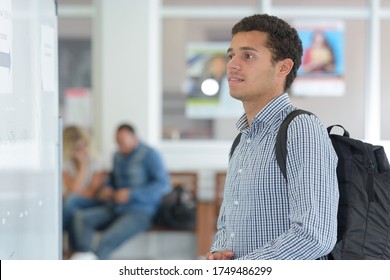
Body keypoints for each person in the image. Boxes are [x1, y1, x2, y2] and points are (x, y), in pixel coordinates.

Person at [207, 14, 339, 260]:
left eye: (247, 56)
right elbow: (228, 222)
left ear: (283, 67)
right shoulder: (243, 139)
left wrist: (244, 269)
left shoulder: (301, 129)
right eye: (231, 55)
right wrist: (220, 252)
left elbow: (315, 235)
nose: (232, 64)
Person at [70, 123, 171, 260]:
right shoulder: (117, 156)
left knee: (106, 239)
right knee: (81, 218)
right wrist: (107, 188)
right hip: (115, 208)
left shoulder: (150, 155)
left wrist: (132, 194)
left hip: (139, 212)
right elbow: (113, 180)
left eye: (122, 142)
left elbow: (163, 185)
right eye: (117, 142)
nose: (119, 146)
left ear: (135, 138)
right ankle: (82, 257)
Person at [62, 126, 106, 251]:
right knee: (75, 213)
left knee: (71, 201)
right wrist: (82, 168)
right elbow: (74, 190)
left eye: (84, 146)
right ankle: (78, 253)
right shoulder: (66, 163)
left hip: (93, 202)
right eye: (77, 148)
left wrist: (84, 165)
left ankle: (57, 237)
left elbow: (91, 193)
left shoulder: (96, 161)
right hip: (72, 206)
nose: (83, 151)